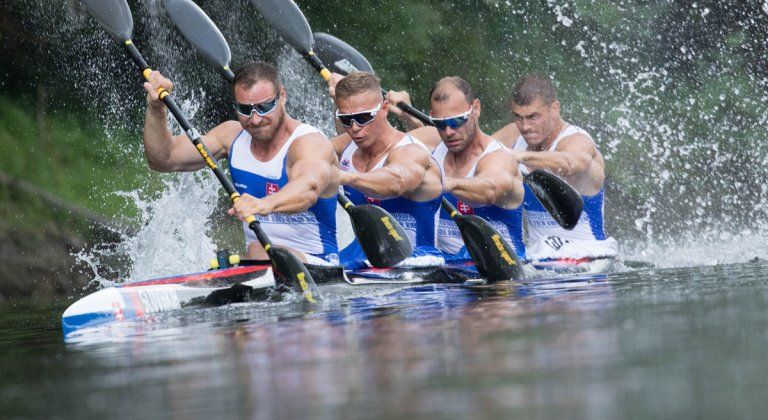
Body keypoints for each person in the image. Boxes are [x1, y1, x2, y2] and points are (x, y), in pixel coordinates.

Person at [142, 62, 340, 264]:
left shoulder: (308, 142)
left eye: (264, 107)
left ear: (282, 96)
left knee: (257, 250)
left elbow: (308, 189)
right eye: (244, 109)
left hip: (318, 266)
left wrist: (263, 204)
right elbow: (164, 159)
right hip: (261, 264)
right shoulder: (231, 136)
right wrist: (156, 107)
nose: (255, 120)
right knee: (254, 252)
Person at [492, 74, 617, 261]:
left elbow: (571, 163)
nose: (525, 126)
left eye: (533, 117)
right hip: (537, 256)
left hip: (587, 256)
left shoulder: (577, 140)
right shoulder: (513, 134)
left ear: (555, 109)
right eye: (518, 117)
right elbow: (477, 154)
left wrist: (523, 157)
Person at [328, 72, 443, 268]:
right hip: (362, 259)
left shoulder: (410, 151)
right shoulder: (345, 146)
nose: (355, 127)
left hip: (415, 263)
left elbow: (396, 182)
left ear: (384, 108)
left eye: (363, 117)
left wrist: (344, 177)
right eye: (346, 119)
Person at [405, 77, 526, 262]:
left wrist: (444, 184)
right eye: (440, 123)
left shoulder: (498, 157)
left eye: (457, 121)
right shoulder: (430, 141)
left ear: (475, 108)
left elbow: (489, 190)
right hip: (445, 267)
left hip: (498, 270)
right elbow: (371, 144)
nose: (448, 132)